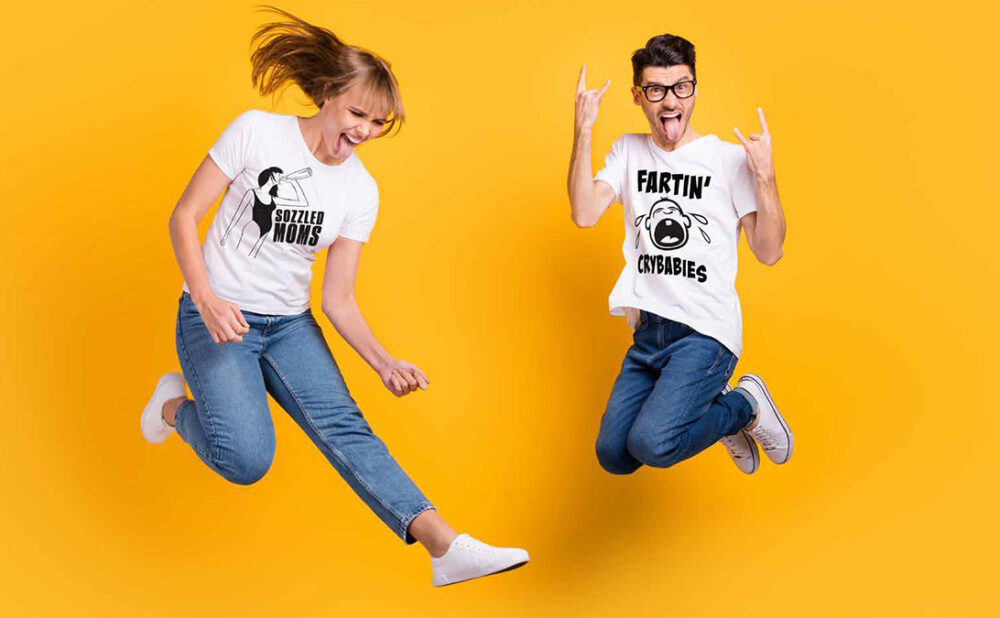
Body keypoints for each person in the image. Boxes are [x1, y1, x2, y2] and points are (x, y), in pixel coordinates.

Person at [139, 8, 528, 587]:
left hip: (289, 326)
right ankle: (171, 407)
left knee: (346, 428)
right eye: (357, 114)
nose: (365, 131)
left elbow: (337, 298)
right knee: (246, 461)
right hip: (218, 317)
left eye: (379, 123)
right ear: (327, 94)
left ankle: (445, 547)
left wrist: (385, 362)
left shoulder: (360, 190)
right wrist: (205, 297)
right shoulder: (255, 131)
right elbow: (185, 215)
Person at [567, 34, 793, 476]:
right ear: (638, 96)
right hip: (649, 334)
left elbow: (769, 251)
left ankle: (743, 406)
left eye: (681, 87)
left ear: (694, 88)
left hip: (705, 332)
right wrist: (583, 130)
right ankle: (719, 411)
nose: (670, 101)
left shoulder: (728, 160)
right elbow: (583, 213)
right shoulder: (628, 152)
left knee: (653, 443)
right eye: (656, 90)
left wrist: (765, 178)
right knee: (614, 454)